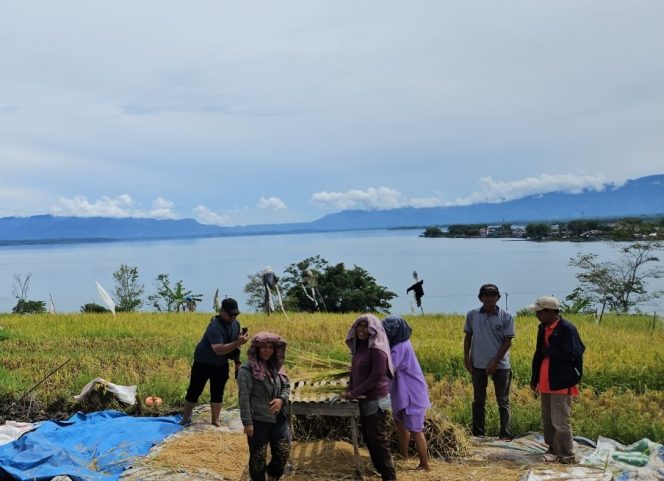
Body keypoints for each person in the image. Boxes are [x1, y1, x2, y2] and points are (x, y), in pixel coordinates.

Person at [528, 296, 585, 464]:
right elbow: (539, 353)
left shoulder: (567, 328)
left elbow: (574, 353)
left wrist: (550, 351)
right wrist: (535, 378)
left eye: (539, 312)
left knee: (560, 421)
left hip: (560, 381)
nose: (537, 315)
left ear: (550, 312)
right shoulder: (543, 328)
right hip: (546, 380)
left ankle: (566, 454)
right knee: (548, 419)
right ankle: (553, 448)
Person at [343, 314, 397, 481]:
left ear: (373, 329)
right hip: (364, 398)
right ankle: (382, 473)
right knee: (369, 438)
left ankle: (389, 476)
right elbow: (354, 371)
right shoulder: (360, 347)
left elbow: (375, 377)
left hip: (376, 400)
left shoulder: (377, 350)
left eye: (366, 326)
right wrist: (350, 387)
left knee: (378, 440)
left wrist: (352, 393)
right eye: (359, 326)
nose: (361, 330)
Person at [181, 297, 249, 426]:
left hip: (221, 363)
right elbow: (218, 350)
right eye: (231, 314)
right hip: (203, 362)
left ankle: (215, 420)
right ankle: (185, 418)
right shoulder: (214, 326)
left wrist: (237, 363)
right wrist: (238, 342)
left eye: (236, 314)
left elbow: (236, 347)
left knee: (218, 391)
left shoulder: (236, 324)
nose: (233, 317)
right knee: (194, 390)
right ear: (222, 311)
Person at [463, 283, 515, 440]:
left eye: (493, 295)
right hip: (478, 363)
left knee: (503, 400)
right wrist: (467, 357)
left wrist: (495, 362)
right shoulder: (472, 315)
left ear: (498, 297)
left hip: (501, 365)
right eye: (486, 295)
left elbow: (507, 342)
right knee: (479, 400)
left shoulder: (506, 316)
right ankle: (478, 433)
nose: (489, 298)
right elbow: (468, 337)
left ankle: (505, 434)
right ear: (480, 298)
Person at [238, 332, 291, 481]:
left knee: (282, 451)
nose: (267, 350)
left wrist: (281, 399)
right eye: (263, 347)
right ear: (256, 349)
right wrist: (247, 422)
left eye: (270, 347)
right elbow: (243, 398)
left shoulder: (277, 367)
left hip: (278, 418)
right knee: (258, 458)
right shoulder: (247, 370)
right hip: (258, 420)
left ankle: (273, 475)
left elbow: (286, 386)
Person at [382, 315, 431, 471]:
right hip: (401, 392)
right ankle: (404, 456)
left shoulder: (400, 347)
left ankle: (424, 465)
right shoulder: (398, 345)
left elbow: (389, 369)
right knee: (401, 425)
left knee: (416, 430)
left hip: (411, 393)